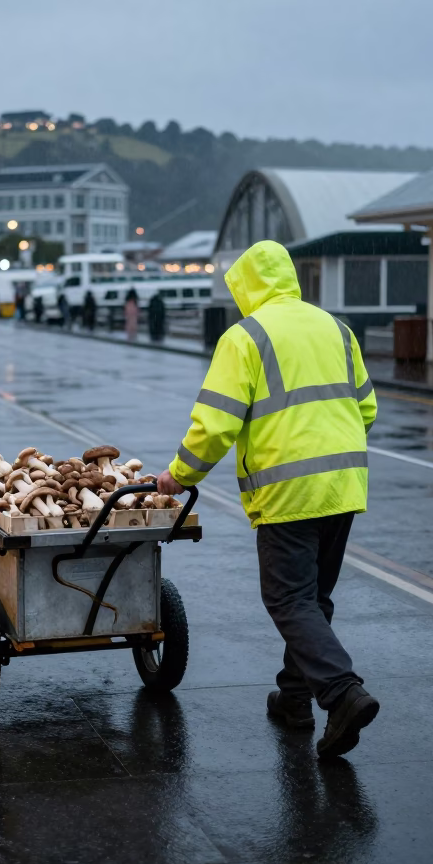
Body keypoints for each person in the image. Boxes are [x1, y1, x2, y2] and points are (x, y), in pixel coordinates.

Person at [156, 240, 379, 759]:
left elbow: (215, 423)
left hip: (288, 488)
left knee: (288, 599)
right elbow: (366, 408)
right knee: (314, 598)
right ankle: (294, 698)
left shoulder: (246, 337)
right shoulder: (337, 328)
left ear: (247, 287)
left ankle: (342, 692)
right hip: (344, 483)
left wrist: (179, 475)